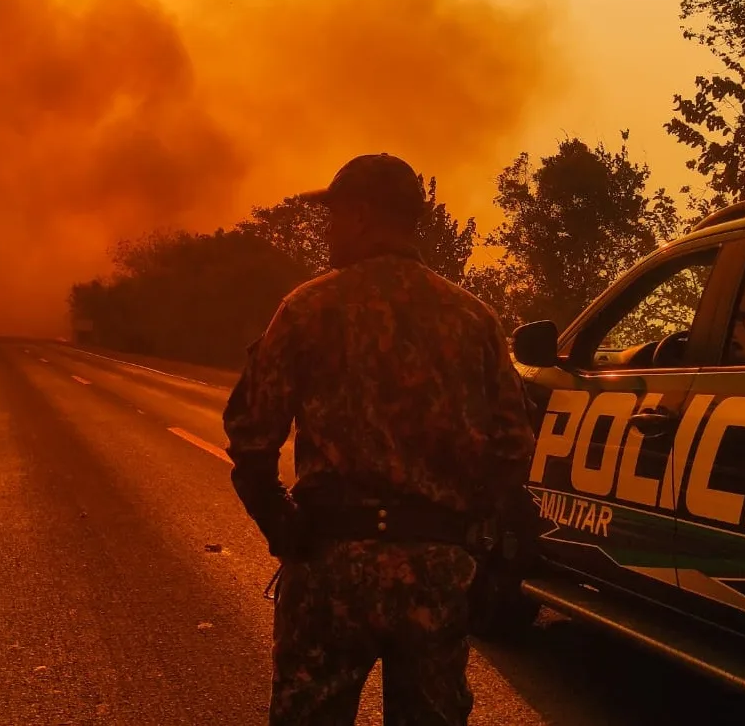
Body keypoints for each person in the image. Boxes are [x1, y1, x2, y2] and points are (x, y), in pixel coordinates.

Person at [223, 153, 536, 725]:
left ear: (363, 216)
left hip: (331, 565)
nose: (329, 229)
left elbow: (250, 437)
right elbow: (514, 447)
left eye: (335, 216)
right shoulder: (475, 319)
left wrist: (284, 529)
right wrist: (466, 536)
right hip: (435, 571)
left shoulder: (308, 308)